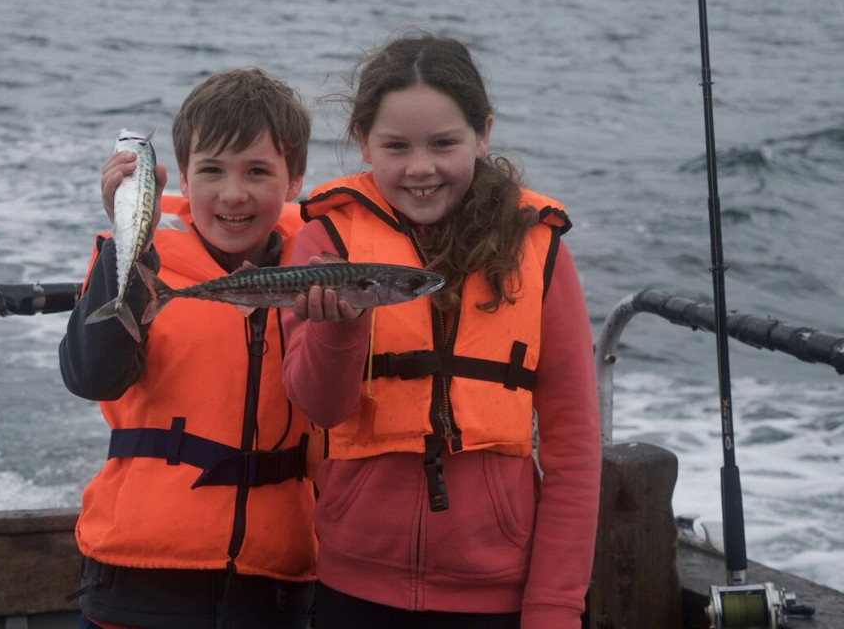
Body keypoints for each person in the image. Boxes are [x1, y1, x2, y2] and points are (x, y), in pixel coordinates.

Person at [281, 33, 601, 629]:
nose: (421, 167)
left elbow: (575, 445)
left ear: (483, 133)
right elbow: (319, 409)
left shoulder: (539, 251)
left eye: (444, 144)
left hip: (500, 596)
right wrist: (339, 332)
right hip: (352, 588)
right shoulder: (327, 241)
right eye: (396, 146)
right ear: (362, 141)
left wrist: (555, 607)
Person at [60, 68, 317, 629]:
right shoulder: (141, 261)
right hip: (138, 585)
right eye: (212, 171)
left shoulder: (319, 273)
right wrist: (130, 245)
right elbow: (90, 375)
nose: (232, 194)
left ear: (294, 177)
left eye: (257, 171)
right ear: (181, 176)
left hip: (275, 590)